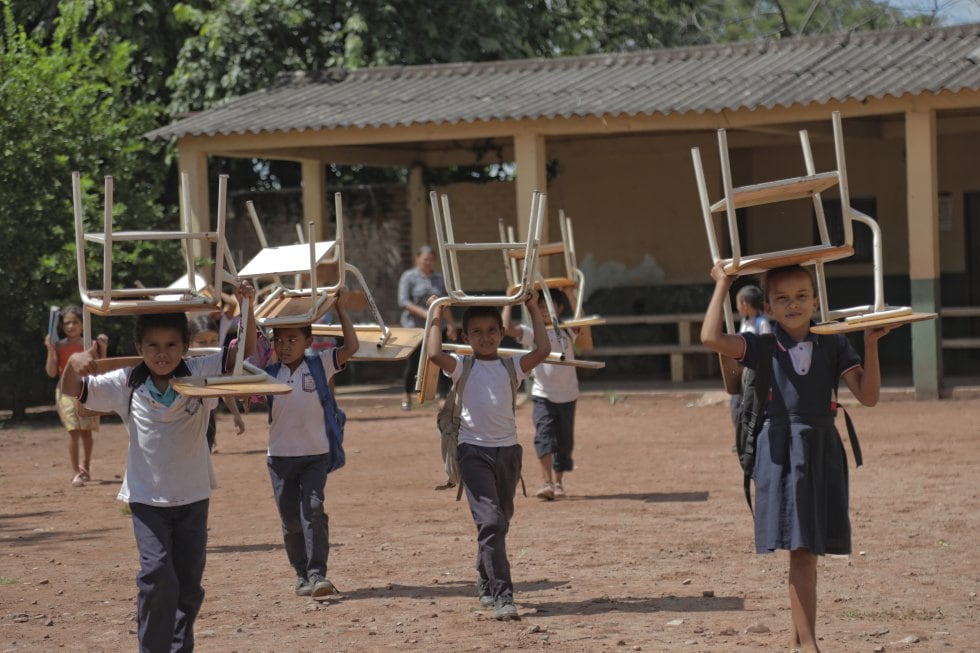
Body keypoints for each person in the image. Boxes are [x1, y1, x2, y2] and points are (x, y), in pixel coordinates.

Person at [701, 263, 890, 653]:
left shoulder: (834, 342)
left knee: (808, 548)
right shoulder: (762, 344)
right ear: (767, 306)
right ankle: (809, 646)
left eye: (802, 296)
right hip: (781, 450)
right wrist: (724, 284)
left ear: (816, 300)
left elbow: (869, 397)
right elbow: (709, 337)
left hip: (822, 448)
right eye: (782, 299)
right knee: (802, 550)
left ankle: (799, 641)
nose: (793, 305)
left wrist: (870, 344)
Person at [61, 282, 257, 653]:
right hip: (147, 501)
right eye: (152, 345)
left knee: (188, 584)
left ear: (185, 347)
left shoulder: (203, 370)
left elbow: (243, 353)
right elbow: (76, 390)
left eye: (171, 345)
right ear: (139, 348)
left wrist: (248, 305)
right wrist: (73, 365)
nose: (162, 354)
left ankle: (180, 647)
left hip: (194, 497)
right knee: (155, 575)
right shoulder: (126, 382)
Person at [426, 292, 549, 621]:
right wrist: (437, 311)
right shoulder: (462, 366)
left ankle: (484, 574)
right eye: (476, 332)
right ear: (466, 337)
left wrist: (533, 306)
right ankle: (502, 595)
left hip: (508, 454)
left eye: (492, 330)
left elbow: (543, 350)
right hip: (473, 453)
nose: (485, 337)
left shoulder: (512, 367)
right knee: (491, 522)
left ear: (501, 332)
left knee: (500, 522)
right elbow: (434, 352)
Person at [258, 290, 359, 599]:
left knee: (313, 510)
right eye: (279, 340)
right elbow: (242, 362)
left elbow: (352, 346)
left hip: (315, 455)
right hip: (280, 459)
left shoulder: (321, 364)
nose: (285, 346)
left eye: (292, 340)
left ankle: (318, 574)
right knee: (290, 521)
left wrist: (340, 308)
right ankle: (300, 573)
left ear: (308, 341)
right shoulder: (268, 373)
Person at [503, 288, 580, 500]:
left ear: (560, 307)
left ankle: (558, 483)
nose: (545, 310)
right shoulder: (532, 333)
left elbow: (582, 322)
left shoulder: (567, 330)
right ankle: (546, 482)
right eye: (541, 306)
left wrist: (571, 294)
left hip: (568, 395)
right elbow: (504, 328)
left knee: (564, 443)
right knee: (544, 436)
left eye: (550, 306)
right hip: (543, 394)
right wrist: (509, 300)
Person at [44, 305, 108, 487]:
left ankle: (85, 466)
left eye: (75, 322)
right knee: (73, 431)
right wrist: (50, 350)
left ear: (82, 324)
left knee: (86, 432)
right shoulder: (58, 345)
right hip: (65, 391)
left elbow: (99, 370)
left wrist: (103, 350)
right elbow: (50, 372)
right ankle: (75, 471)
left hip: (86, 390)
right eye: (67, 323)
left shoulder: (90, 345)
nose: (70, 326)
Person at [397, 245, 455, 410]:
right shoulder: (408, 277)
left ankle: (443, 396)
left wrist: (451, 324)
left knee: (441, 359)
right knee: (414, 362)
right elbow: (404, 301)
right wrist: (424, 313)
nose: (428, 263)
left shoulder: (439, 279)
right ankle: (407, 394)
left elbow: (444, 304)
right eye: (425, 260)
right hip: (414, 327)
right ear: (418, 259)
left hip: (437, 326)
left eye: (430, 260)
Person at [188, 314, 245, 451]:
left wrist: (236, 414)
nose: (209, 346)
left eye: (213, 340)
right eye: (202, 342)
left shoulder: (216, 362)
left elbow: (224, 389)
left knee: (204, 461)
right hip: (187, 421)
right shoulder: (186, 364)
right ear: (189, 343)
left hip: (208, 420)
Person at [729, 284, 772, 429]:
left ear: (745, 305)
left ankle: (753, 433)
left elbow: (767, 350)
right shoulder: (744, 322)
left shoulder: (762, 323)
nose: (737, 308)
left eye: (738, 304)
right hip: (744, 371)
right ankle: (741, 433)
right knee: (736, 402)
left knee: (753, 404)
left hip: (757, 373)